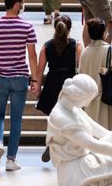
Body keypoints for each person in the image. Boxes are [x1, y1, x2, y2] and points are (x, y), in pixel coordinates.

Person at [0, 0, 38, 171]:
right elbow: (32, 56)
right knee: (16, 119)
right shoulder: (27, 27)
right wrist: (35, 78)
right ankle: (11, 159)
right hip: (20, 78)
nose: (22, 6)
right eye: (22, 3)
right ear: (16, 4)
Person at [34, 15, 82, 162]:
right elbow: (80, 68)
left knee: (53, 118)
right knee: (69, 117)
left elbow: (39, 70)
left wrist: (38, 89)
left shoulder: (46, 46)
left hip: (52, 84)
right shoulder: (77, 45)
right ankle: (66, 146)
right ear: (70, 29)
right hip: (69, 84)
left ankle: (52, 143)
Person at [79, 18, 112, 130]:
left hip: (89, 101)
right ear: (103, 32)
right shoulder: (111, 51)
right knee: (108, 135)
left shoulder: (84, 52)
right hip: (107, 101)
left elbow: (81, 74)